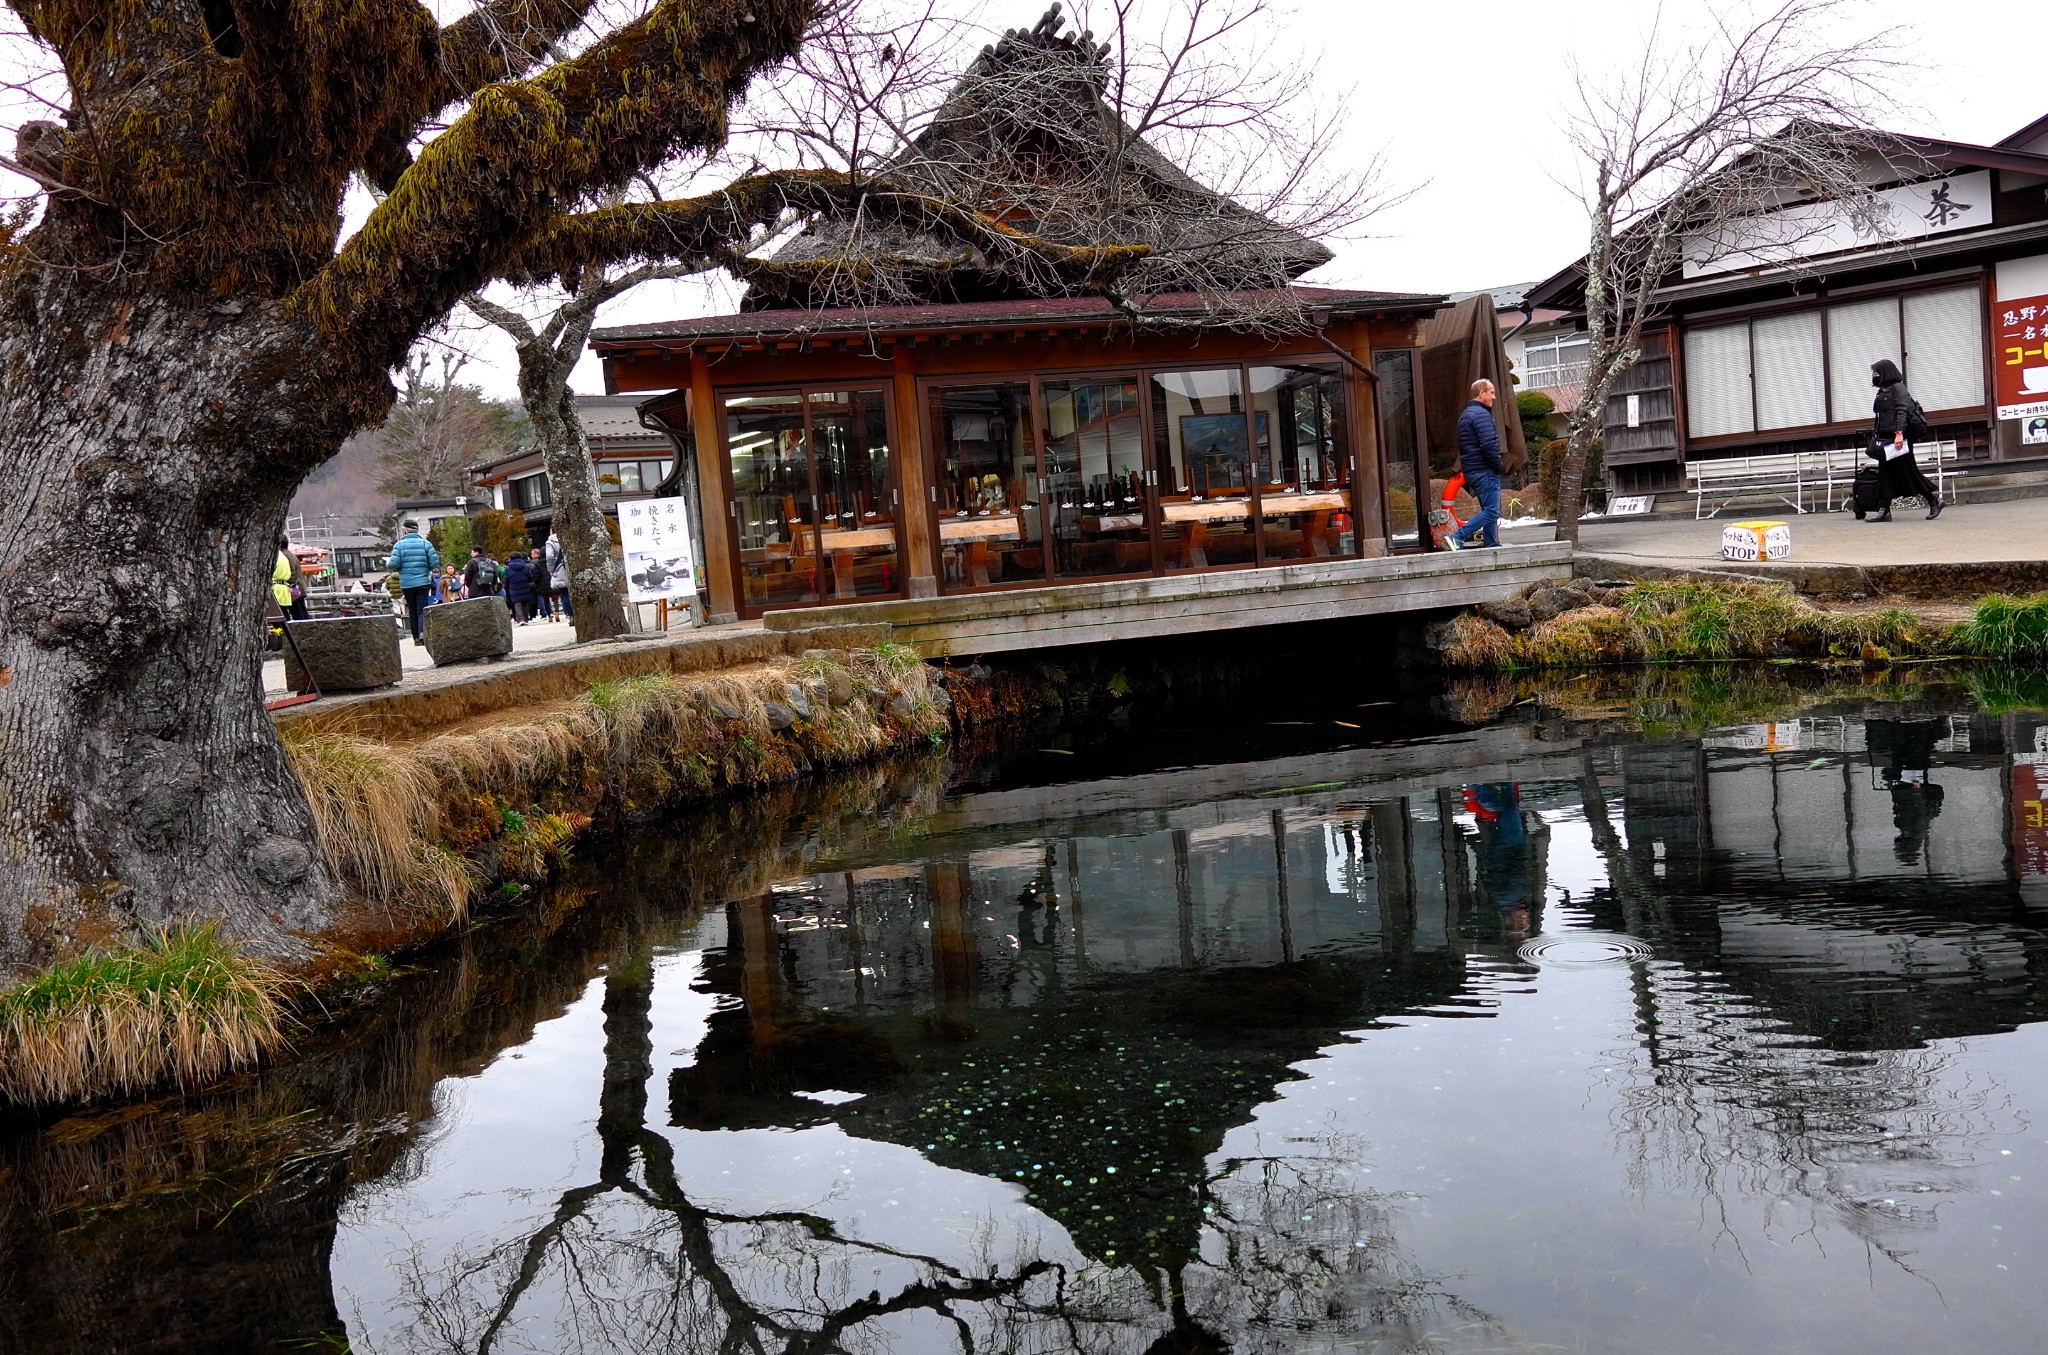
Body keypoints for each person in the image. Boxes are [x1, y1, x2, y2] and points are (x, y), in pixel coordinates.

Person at [1867, 359, 1943, 522]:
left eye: (1877, 372)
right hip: (1886, 439)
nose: (1874, 375)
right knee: (1885, 474)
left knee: (1909, 473)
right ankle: (1884, 510)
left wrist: (1899, 433)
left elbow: (1903, 410)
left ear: (1886, 372)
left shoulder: (1898, 388)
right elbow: (1879, 413)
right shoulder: (1882, 390)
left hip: (1899, 439)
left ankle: (1934, 500)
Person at [1446, 379, 1505, 550]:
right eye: (1491, 392)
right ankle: (1457, 537)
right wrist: (1498, 465)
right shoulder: (1481, 415)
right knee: (1492, 511)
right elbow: (1488, 445)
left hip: (1471, 470)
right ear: (1482, 393)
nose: (1494, 397)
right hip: (1484, 470)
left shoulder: (1465, 415)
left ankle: (1491, 543)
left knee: (1488, 509)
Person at [386, 519, 441, 643]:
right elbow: (434, 563)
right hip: (423, 581)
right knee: (422, 609)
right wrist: (425, 567)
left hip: (407, 583)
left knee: (412, 609)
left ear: (405, 530)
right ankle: (423, 633)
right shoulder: (426, 544)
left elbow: (393, 564)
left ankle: (415, 637)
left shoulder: (399, 545)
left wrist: (391, 565)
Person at [272, 536, 310, 620]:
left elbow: (292, 573)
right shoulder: (289, 554)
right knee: (301, 613)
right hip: (297, 587)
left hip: (293, 588)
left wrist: (290, 585)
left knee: (297, 614)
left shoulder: (283, 555)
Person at [503, 547, 537, 623]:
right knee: (525, 602)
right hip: (525, 585)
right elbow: (530, 577)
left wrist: (507, 586)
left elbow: (506, 579)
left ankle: (520, 619)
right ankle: (526, 618)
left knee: (517, 603)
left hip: (514, 587)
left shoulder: (508, 568)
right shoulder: (526, 566)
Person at [529, 549, 553, 620]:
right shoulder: (550, 561)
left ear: (537, 554)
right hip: (550, 581)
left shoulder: (535, 563)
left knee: (543, 599)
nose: (531, 555)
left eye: (532, 554)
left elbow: (536, 575)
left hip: (541, 583)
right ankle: (553, 612)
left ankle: (545, 613)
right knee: (553, 598)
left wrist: (536, 583)